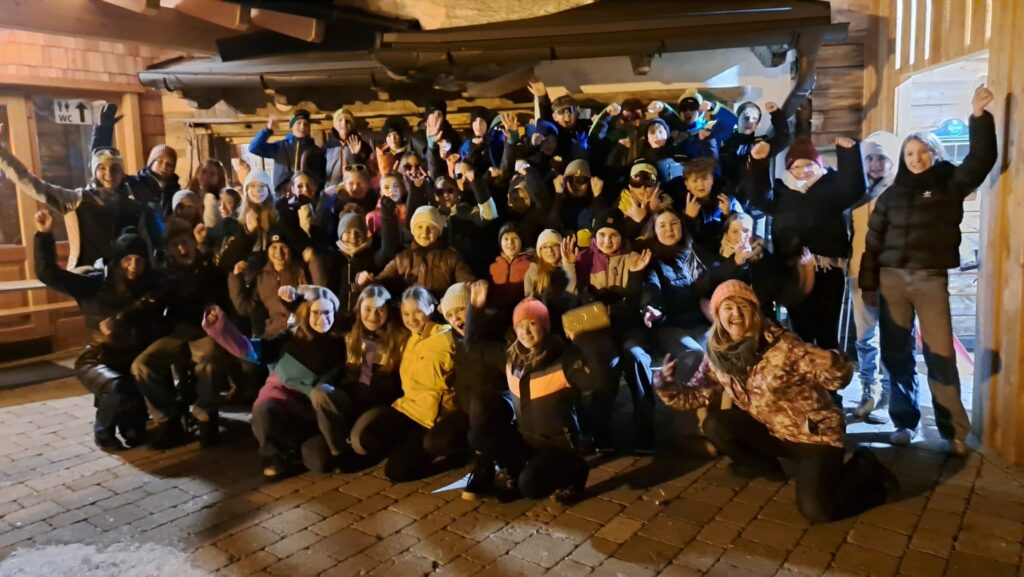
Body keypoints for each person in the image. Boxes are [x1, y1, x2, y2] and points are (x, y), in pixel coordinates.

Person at [655, 280, 899, 523]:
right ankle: (762, 466)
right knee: (715, 423)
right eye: (728, 307)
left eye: (743, 306)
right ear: (717, 314)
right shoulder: (717, 353)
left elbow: (835, 381)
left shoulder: (784, 345)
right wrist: (665, 387)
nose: (736, 314)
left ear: (755, 311)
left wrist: (834, 363)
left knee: (818, 511)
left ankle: (865, 468)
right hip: (772, 430)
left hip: (813, 435)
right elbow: (698, 394)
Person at [860, 85, 997, 454]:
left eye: (922, 152)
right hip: (891, 281)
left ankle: (954, 432)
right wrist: (869, 285)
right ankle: (904, 422)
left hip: (930, 279)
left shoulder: (950, 185)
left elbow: (981, 159)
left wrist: (979, 117)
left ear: (934, 154)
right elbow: (873, 243)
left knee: (940, 354)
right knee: (895, 353)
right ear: (902, 158)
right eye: (909, 153)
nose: (916, 158)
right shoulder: (891, 196)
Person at [33, 211, 160, 450]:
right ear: (118, 260)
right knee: (117, 387)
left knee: (135, 433)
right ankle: (102, 431)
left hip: (129, 361)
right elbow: (48, 273)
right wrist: (44, 235)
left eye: (139, 260)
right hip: (96, 359)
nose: (133, 266)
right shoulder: (94, 284)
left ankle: (129, 419)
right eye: (127, 259)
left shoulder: (147, 288)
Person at [204, 286, 349, 479]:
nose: (322, 318)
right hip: (285, 405)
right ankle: (274, 456)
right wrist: (222, 328)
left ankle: (300, 448)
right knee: (264, 408)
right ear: (306, 313)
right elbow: (251, 350)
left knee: (319, 461)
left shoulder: (341, 343)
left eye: (327, 312)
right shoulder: (288, 338)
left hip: (315, 416)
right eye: (316, 312)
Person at [746, 136, 865, 350]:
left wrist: (849, 154)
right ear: (789, 169)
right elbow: (759, 198)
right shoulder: (781, 192)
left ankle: (830, 370)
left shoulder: (831, 187)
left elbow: (854, 189)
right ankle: (805, 370)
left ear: (818, 165)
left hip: (827, 270)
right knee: (801, 331)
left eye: (809, 165)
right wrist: (759, 163)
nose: (803, 171)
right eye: (797, 166)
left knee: (827, 331)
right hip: (793, 273)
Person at [470, 298, 592, 503]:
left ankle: (575, 471)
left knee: (530, 486)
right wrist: (475, 310)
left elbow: (600, 380)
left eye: (532, 324)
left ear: (545, 326)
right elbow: (474, 347)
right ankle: (515, 471)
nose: (525, 332)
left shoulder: (564, 358)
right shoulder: (512, 357)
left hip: (557, 445)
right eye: (520, 326)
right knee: (479, 435)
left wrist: (587, 340)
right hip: (527, 437)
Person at [0, 123, 155, 270]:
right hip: (84, 276)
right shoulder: (76, 200)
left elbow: (145, 247)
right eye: (102, 168)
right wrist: (2, 154)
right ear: (94, 172)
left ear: (122, 173)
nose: (109, 174)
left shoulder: (135, 208)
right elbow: (31, 183)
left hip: (122, 277)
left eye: (114, 169)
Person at [350, 286, 464, 482]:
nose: (412, 319)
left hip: (432, 417)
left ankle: (457, 456)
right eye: (406, 313)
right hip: (408, 409)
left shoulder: (447, 338)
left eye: (418, 311)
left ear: (431, 309)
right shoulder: (409, 340)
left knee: (396, 472)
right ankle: (407, 448)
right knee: (368, 438)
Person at [848, 138, 896, 419]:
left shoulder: (899, 192)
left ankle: (889, 393)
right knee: (865, 337)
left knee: (893, 337)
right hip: (858, 271)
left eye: (881, 158)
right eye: (869, 159)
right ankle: (869, 389)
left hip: (892, 274)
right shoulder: (856, 194)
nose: (876, 164)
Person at [360, 205, 475, 299]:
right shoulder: (402, 259)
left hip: (440, 313)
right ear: (413, 230)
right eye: (420, 227)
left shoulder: (451, 258)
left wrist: (472, 286)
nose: (425, 232)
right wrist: (365, 280)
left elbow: (466, 281)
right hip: (410, 315)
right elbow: (380, 282)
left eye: (431, 227)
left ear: (439, 232)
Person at [719, 101, 791, 204]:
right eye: (746, 117)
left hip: (757, 203)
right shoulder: (724, 143)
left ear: (757, 124)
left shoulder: (761, 144)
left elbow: (783, 138)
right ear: (737, 119)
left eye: (754, 119)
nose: (750, 122)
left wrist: (776, 113)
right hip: (727, 201)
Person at [249, 109, 322, 193]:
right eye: (299, 123)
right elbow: (254, 148)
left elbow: (320, 176)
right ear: (292, 126)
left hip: (307, 194)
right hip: (283, 194)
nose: (302, 127)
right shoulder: (280, 146)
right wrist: (268, 131)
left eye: (305, 124)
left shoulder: (315, 150)